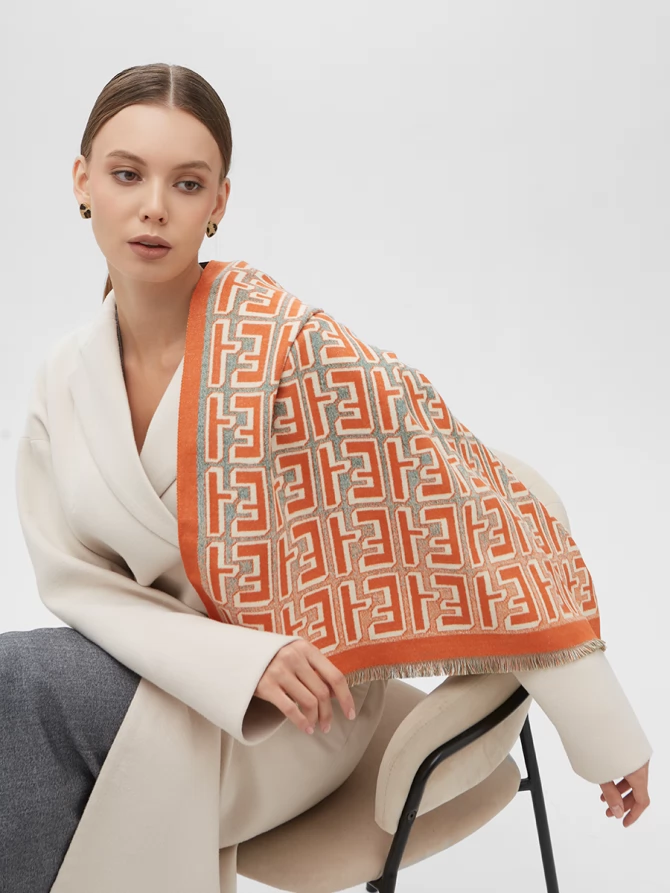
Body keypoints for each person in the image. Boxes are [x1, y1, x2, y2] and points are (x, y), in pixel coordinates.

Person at [3, 63, 652, 893]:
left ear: (219, 202)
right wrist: (234, 657)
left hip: (298, 713)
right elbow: (77, 583)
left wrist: (602, 731)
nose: (154, 206)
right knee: (24, 710)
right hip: (166, 673)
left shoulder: (287, 347)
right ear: (82, 181)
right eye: (127, 174)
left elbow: (479, 511)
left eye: (187, 183)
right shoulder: (62, 380)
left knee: (21, 699)